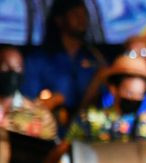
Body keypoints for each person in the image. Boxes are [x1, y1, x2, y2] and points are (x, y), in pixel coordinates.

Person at [20, 0, 105, 129]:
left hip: (85, 134)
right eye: (75, 13)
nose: (81, 19)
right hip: (46, 133)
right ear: (59, 20)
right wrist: (53, 100)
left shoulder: (95, 58)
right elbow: (27, 103)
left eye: (84, 14)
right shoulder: (39, 58)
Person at [0, 45, 57, 140]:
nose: (12, 73)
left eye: (18, 68)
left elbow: (49, 143)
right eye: (5, 67)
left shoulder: (37, 113)